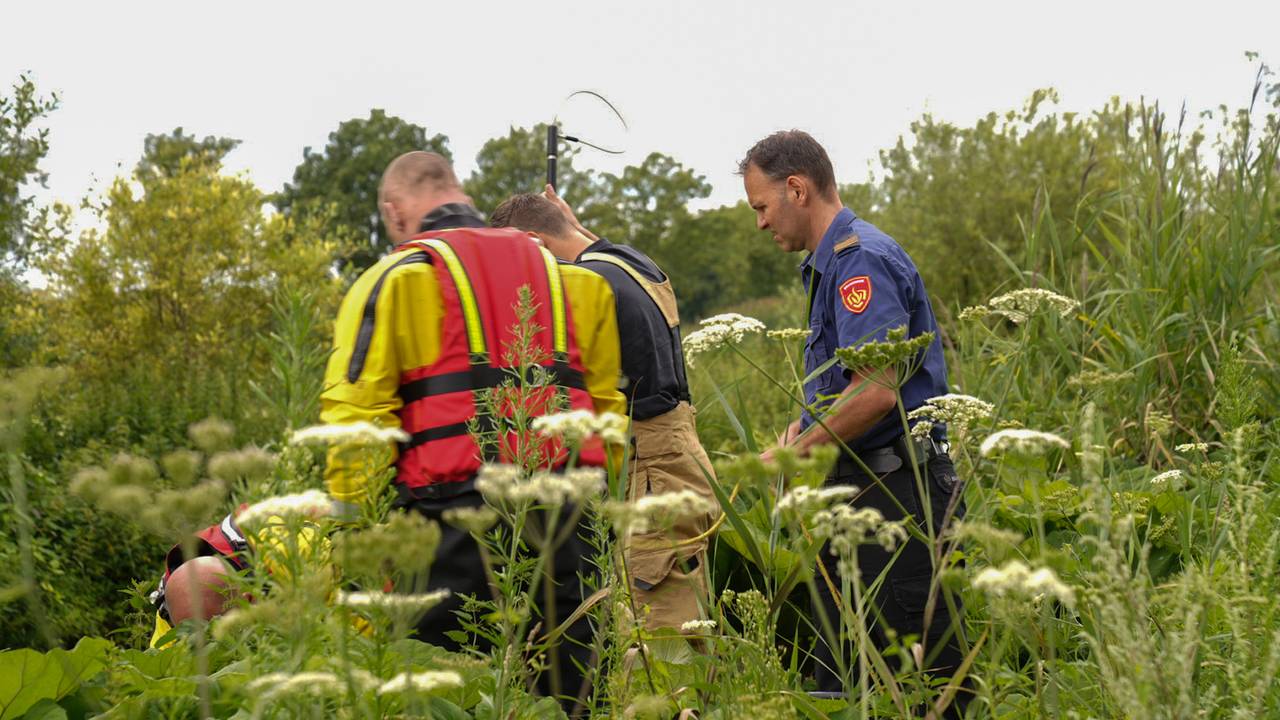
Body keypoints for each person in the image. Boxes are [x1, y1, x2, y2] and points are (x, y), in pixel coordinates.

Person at [319, 152, 626, 702]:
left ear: (394, 212)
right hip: (571, 519)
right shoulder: (575, 283)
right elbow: (606, 412)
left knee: (448, 699)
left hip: (451, 524)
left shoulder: (393, 280)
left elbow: (356, 424)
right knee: (572, 699)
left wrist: (358, 549)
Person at [739, 130, 967, 705]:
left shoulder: (859, 260)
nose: (761, 224)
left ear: (797, 189)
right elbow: (839, 392)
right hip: (860, 492)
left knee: (925, 685)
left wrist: (798, 452)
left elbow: (876, 394)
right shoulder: (828, 268)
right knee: (844, 682)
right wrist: (793, 435)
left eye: (762, 207)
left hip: (900, 497)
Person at [490, 188, 717, 633]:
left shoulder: (589, 285)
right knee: (684, 624)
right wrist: (565, 224)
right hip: (677, 457)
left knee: (657, 636)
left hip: (650, 468)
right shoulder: (629, 263)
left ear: (536, 244)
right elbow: (586, 247)